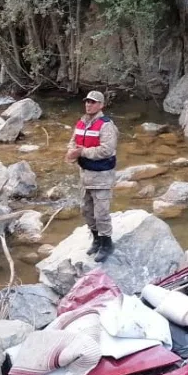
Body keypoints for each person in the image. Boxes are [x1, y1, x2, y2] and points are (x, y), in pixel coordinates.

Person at [65, 90, 119, 263]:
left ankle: (107, 244)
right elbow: (72, 142)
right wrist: (71, 153)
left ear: (101, 105)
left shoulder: (106, 125)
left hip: (102, 176)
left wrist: (82, 152)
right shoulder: (81, 122)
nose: (89, 104)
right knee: (87, 211)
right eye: (87, 101)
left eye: (93, 102)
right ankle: (96, 240)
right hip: (85, 176)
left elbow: (107, 150)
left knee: (101, 213)